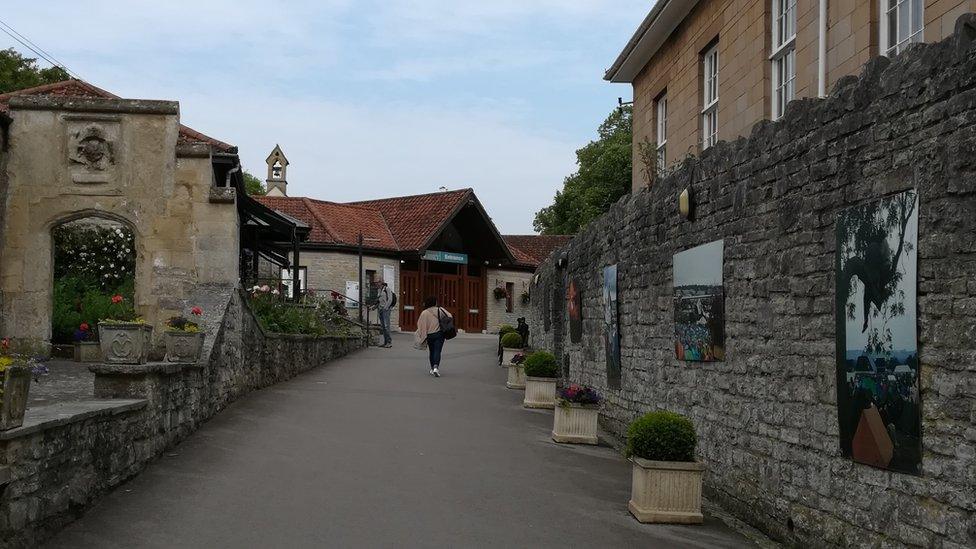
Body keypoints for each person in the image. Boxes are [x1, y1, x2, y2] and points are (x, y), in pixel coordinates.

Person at [414, 296, 452, 377]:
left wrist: (423, 335)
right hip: (439, 334)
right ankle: (436, 367)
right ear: (435, 302)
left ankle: (432, 368)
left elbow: (420, 324)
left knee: (432, 351)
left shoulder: (424, 313)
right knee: (437, 351)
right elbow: (450, 316)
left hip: (429, 335)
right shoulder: (440, 310)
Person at [376, 279, 394, 348]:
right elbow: (379, 300)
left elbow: (390, 299)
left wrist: (385, 307)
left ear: (381, 282)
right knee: (383, 327)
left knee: (386, 326)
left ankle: (389, 342)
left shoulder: (387, 289)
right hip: (380, 310)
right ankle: (385, 342)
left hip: (386, 310)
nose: (376, 284)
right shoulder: (379, 290)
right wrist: (374, 307)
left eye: (377, 282)